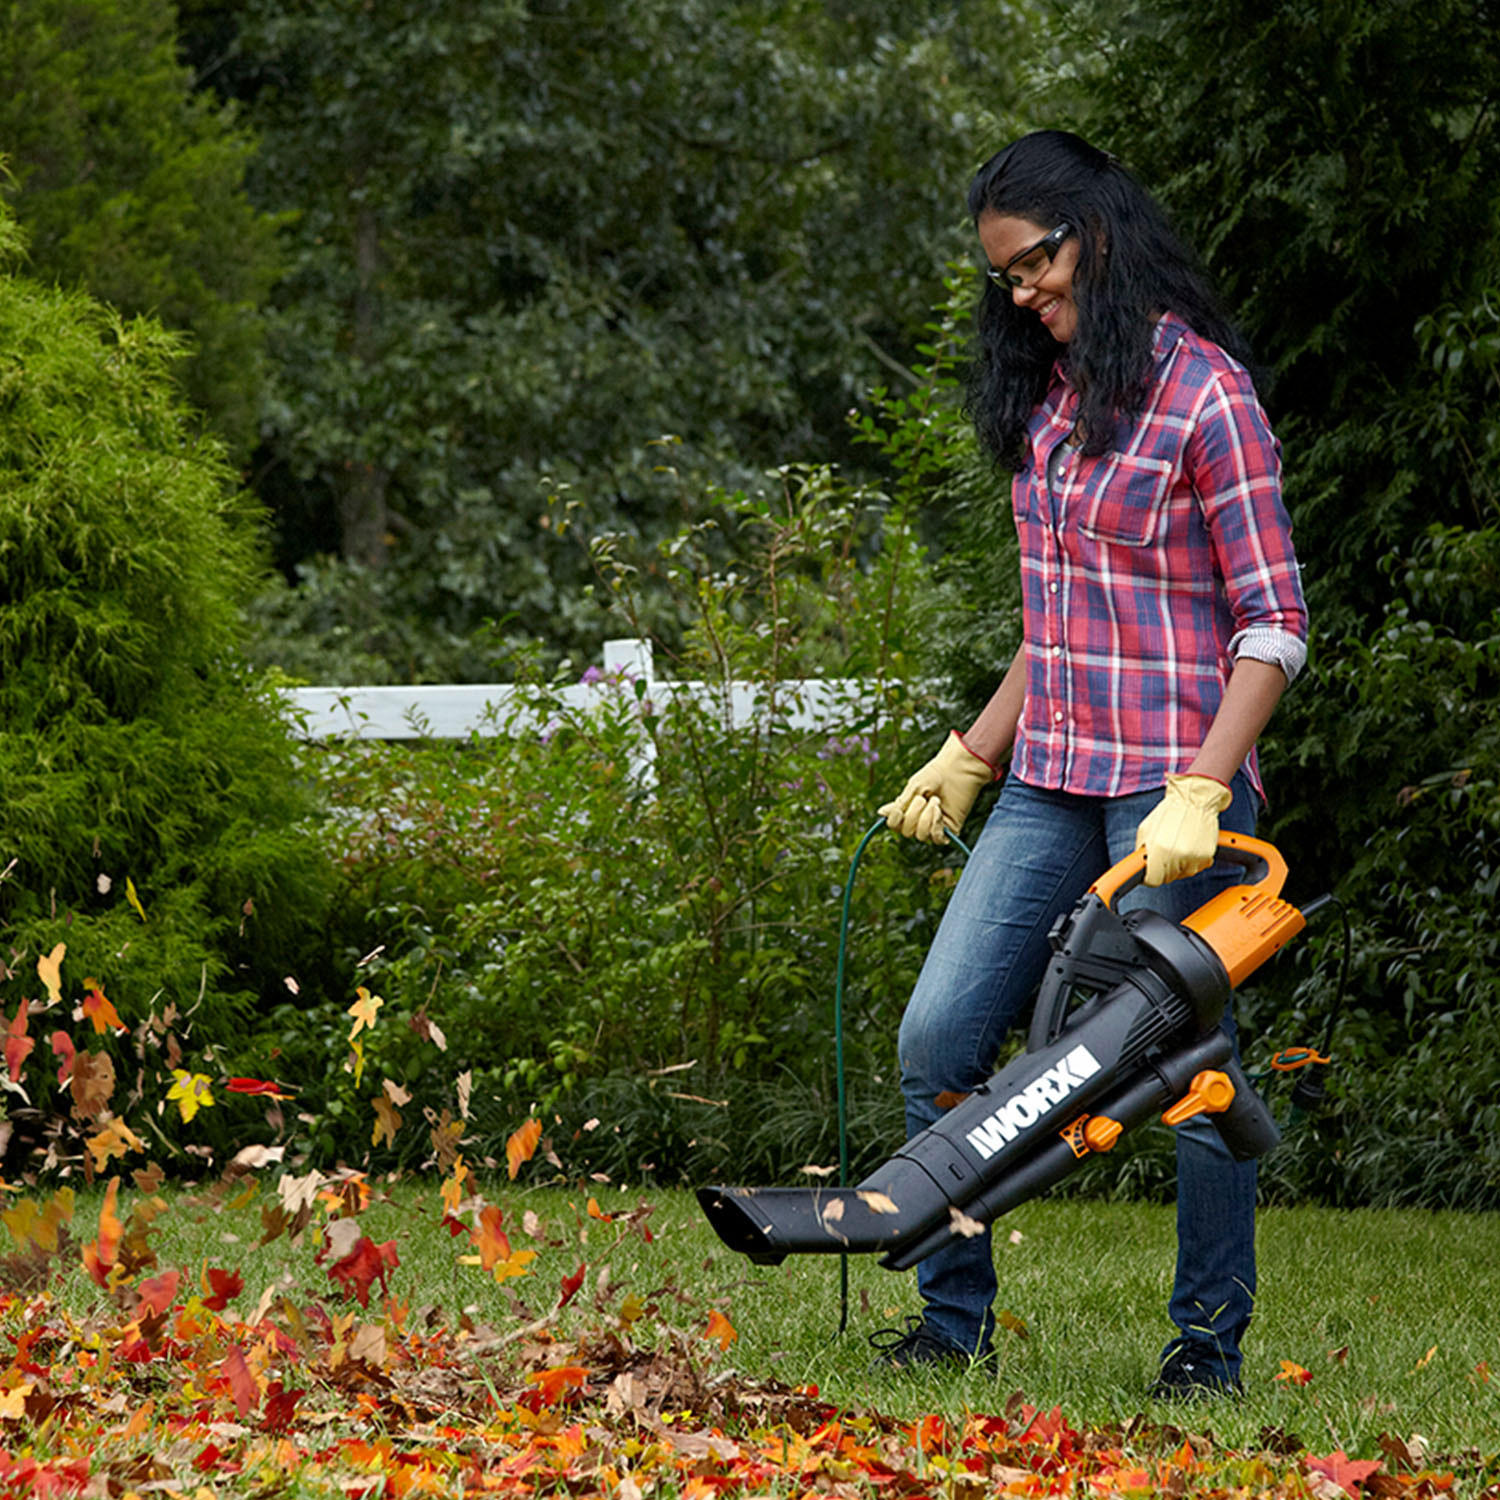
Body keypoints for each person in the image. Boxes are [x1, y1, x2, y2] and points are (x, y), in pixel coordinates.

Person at [873, 130, 1308, 1397]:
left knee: (1187, 1065)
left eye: (1035, 265)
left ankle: (1205, 1348)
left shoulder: (1207, 396)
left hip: (1172, 794)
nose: (1022, 293)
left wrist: (1205, 786)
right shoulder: (1051, 399)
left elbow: (1275, 624)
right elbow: (1057, 620)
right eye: (1004, 277)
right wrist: (971, 752)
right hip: (1050, 777)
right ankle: (951, 1321)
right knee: (938, 1034)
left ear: (1098, 234)